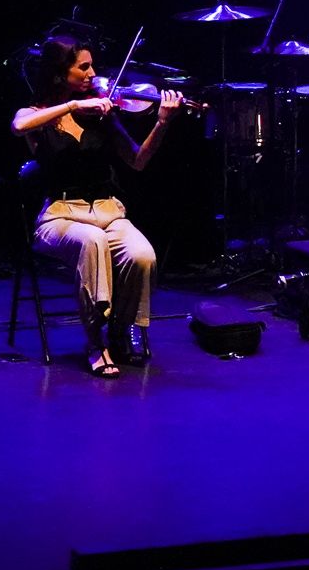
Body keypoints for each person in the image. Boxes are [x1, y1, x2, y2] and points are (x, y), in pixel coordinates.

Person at [14, 38, 185, 376]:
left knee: (142, 255)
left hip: (107, 211)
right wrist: (72, 107)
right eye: (84, 67)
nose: (93, 74)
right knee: (91, 241)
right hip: (60, 215)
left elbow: (137, 161)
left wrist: (162, 123)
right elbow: (19, 125)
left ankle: (120, 333)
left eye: (92, 66)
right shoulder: (37, 116)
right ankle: (95, 341)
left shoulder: (101, 115)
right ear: (60, 75)